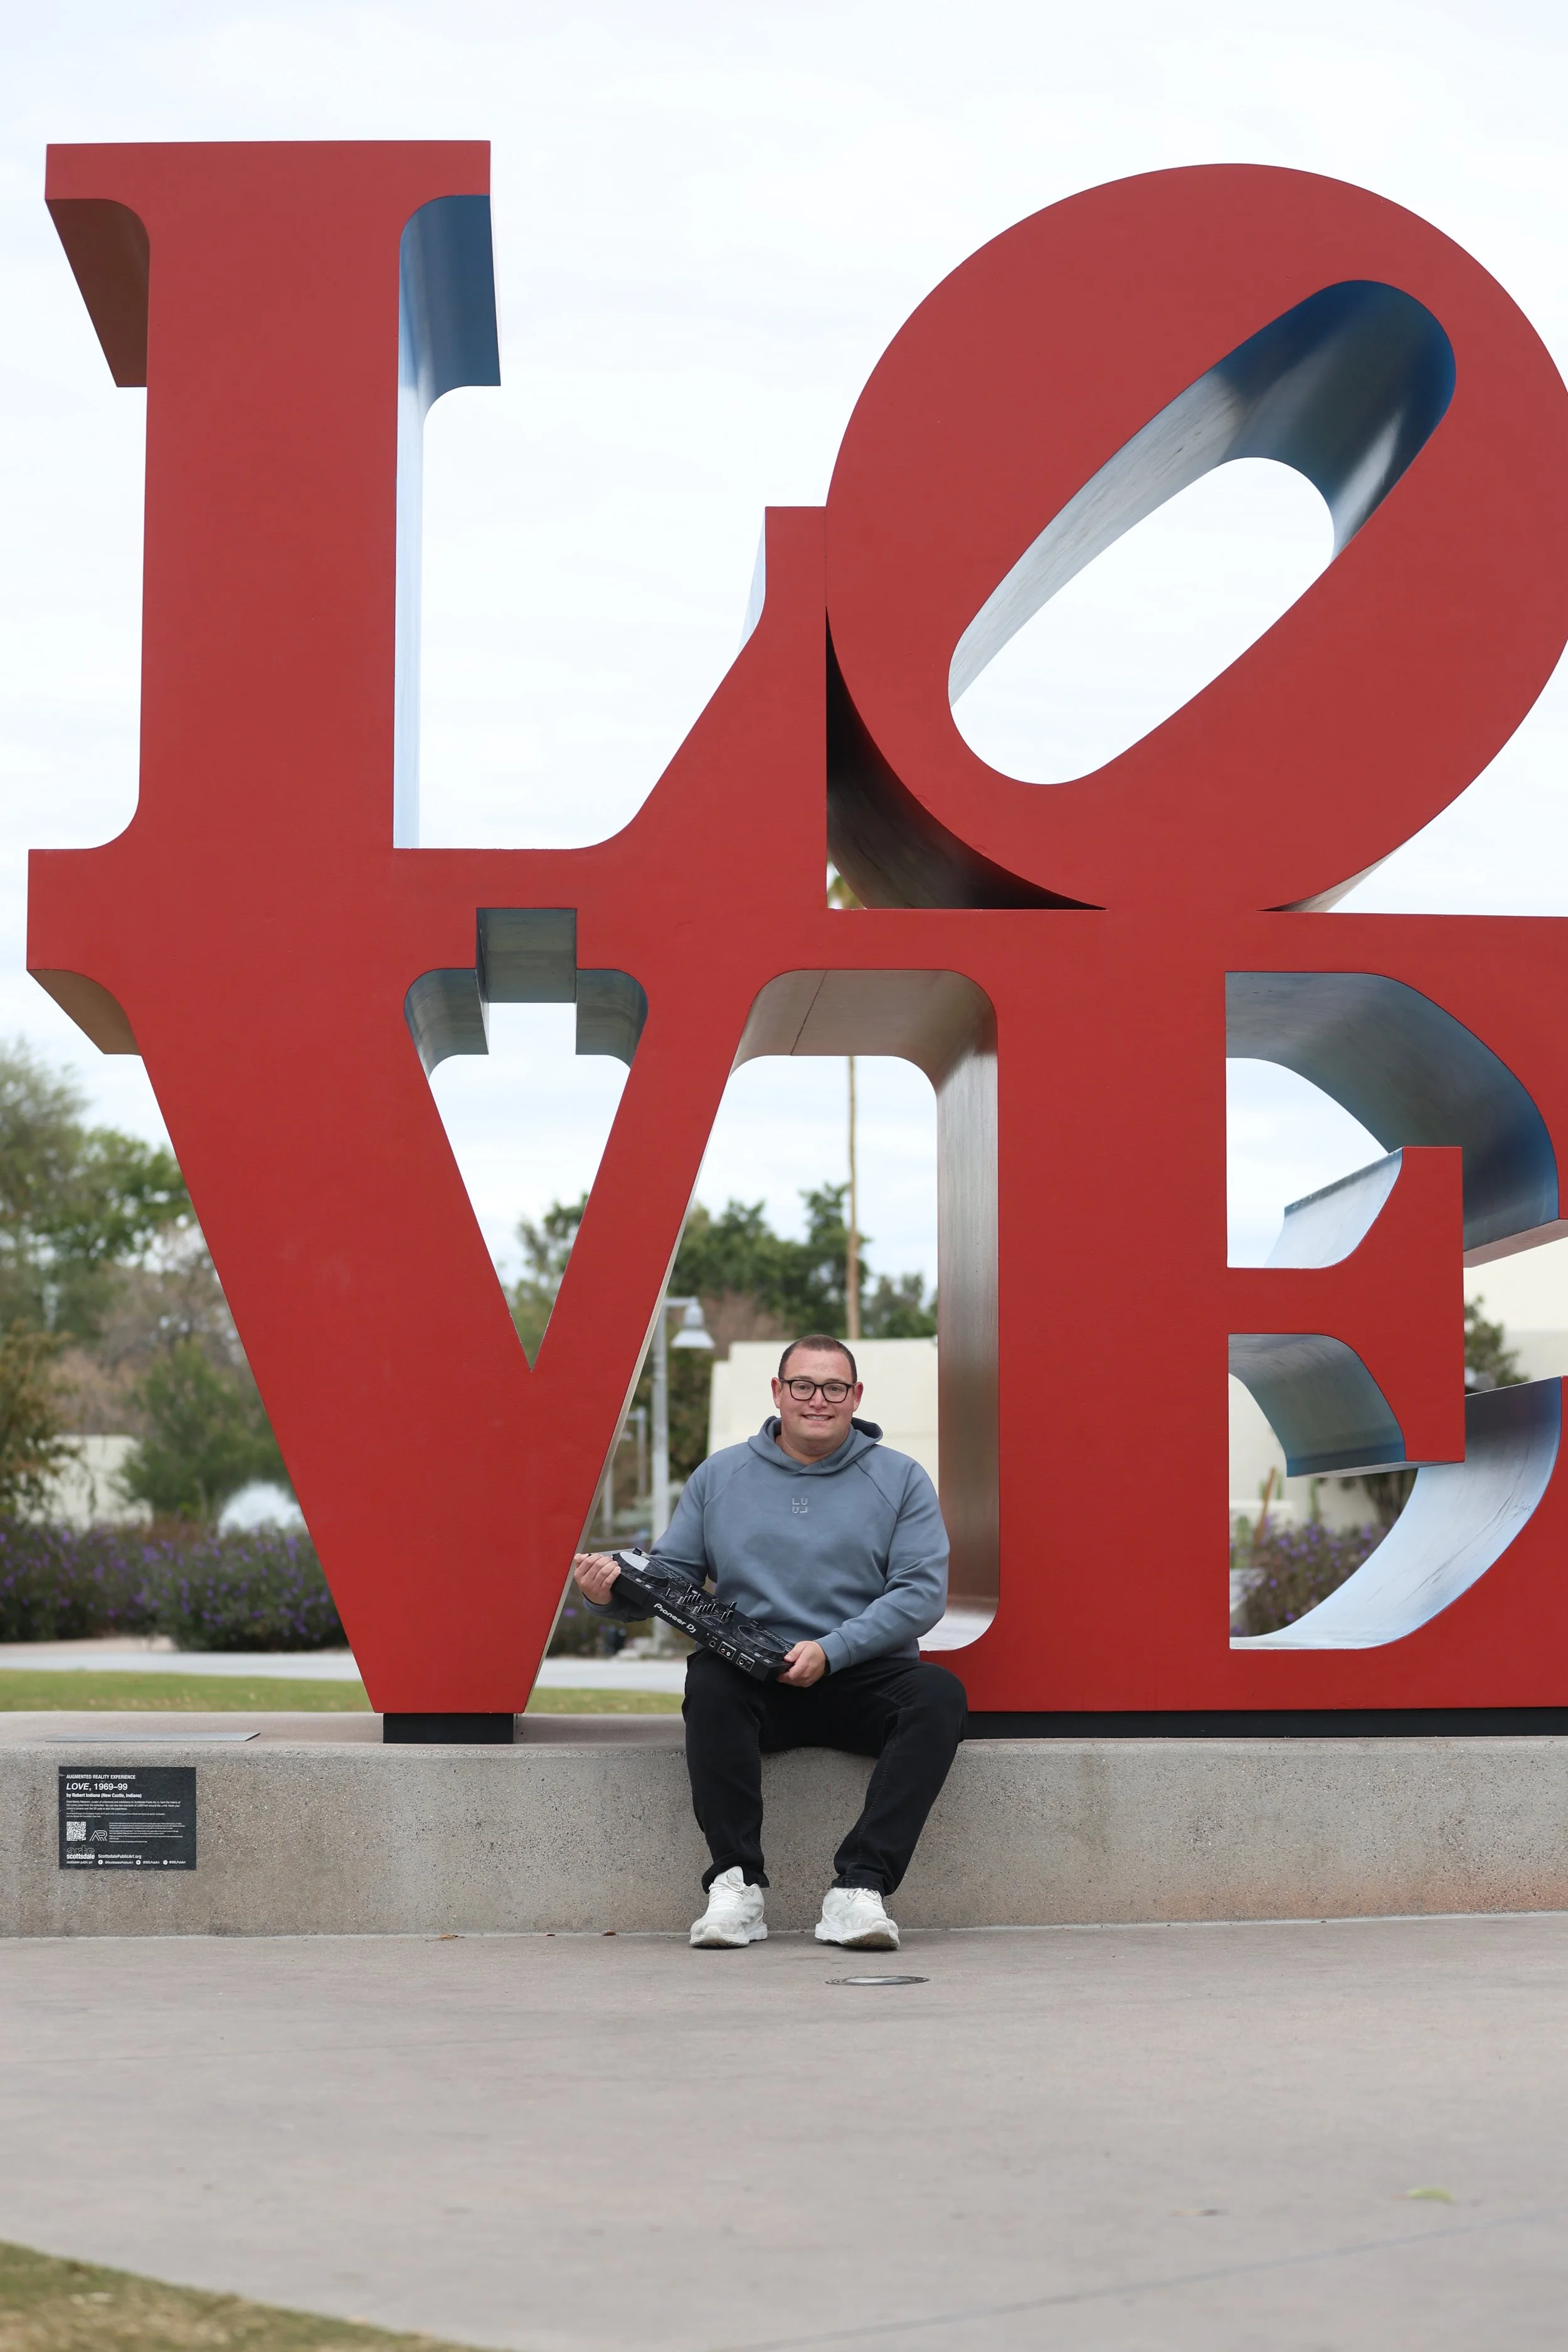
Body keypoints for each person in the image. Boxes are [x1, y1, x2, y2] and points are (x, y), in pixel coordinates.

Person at [573, 1334, 967, 1952]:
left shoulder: (901, 1478)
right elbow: (673, 1577)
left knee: (938, 1695)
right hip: (753, 1675)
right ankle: (736, 1885)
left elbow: (920, 1595)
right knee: (708, 1679)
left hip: (860, 1674)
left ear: (855, 1396)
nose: (818, 1399)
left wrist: (832, 1650)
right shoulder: (720, 1476)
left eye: (834, 1388)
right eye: (803, 1386)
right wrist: (608, 1595)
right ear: (778, 1393)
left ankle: (859, 1891)